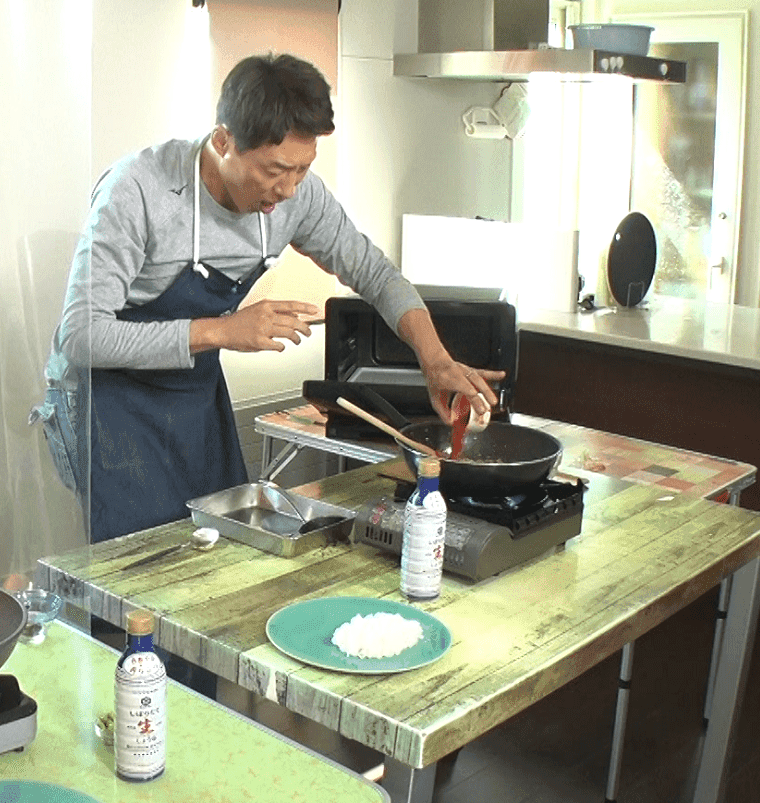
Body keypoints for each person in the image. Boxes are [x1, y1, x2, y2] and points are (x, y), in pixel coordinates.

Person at [40, 53, 503, 544]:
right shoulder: (136, 192)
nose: (286, 190)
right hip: (108, 402)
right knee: (139, 569)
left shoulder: (297, 195)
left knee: (221, 553)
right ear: (223, 141)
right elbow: (81, 335)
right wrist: (223, 330)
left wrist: (434, 359)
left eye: (302, 171)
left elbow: (374, 272)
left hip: (190, 394)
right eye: (274, 171)